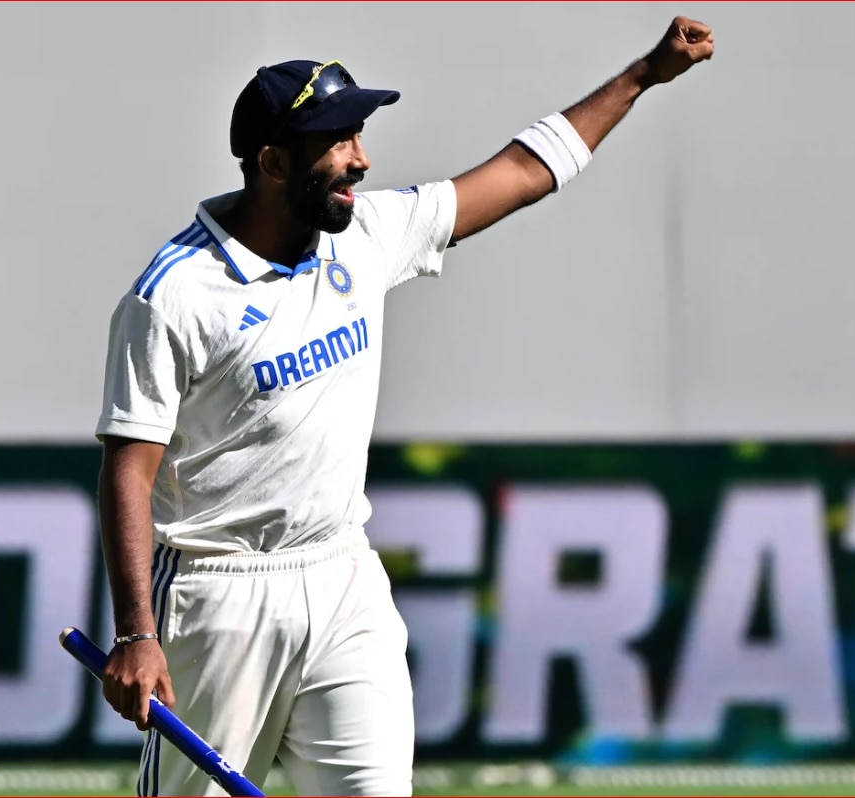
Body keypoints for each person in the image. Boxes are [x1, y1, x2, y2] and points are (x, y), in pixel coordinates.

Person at [95, 15, 714, 797]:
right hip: (217, 594)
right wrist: (137, 635)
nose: (361, 158)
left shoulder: (365, 233)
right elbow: (128, 470)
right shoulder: (174, 295)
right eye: (338, 141)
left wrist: (642, 75)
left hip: (342, 573)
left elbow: (522, 172)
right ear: (274, 162)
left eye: (357, 134)